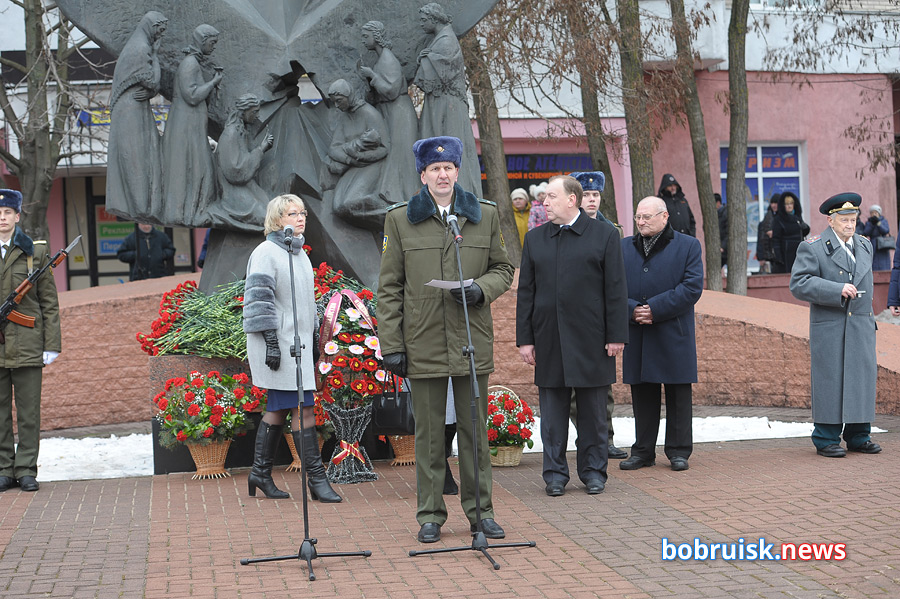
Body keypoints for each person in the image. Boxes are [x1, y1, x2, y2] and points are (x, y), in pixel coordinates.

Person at [378, 136, 514, 543]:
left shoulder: (483, 216)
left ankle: (481, 513)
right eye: (434, 169)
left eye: (449, 167)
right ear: (422, 175)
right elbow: (389, 286)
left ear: (458, 172)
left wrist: (481, 288)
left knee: (475, 431)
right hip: (422, 341)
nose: (442, 174)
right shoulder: (400, 220)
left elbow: (503, 268)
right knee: (430, 436)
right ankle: (431, 515)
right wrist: (392, 345)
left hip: (471, 339)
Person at [516, 175, 628, 496]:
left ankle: (594, 472)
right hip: (549, 339)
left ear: (572, 200)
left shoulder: (605, 235)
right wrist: (526, 338)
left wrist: (616, 334)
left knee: (593, 414)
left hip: (593, 339)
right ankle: (554, 475)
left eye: (551, 196)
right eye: (545, 197)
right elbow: (527, 293)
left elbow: (616, 289)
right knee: (552, 417)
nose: (544, 202)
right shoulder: (535, 239)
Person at [242, 194, 342, 502]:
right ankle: (316, 479)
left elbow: (305, 302)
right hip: (278, 345)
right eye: (291, 214)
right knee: (303, 406)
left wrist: (313, 339)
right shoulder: (266, 252)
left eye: (302, 214)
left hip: (297, 345)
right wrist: (272, 343)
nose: (299, 219)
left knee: (280, 407)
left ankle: (259, 473)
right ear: (276, 220)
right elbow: (259, 301)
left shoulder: (299, 254)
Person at [789, 193, 881, 458]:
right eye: (844, 221)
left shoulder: (864, 245)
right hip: (830, 327)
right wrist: (836, 289)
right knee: (831, 381)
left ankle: (859, 435)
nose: (850, 226)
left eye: (853, 220)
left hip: (861, 326)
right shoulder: (813, 247)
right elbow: (799, 283)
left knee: (860, 380)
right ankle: (826, 438)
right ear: (831, 221)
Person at [619, 196, 703, 472]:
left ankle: (679, 451)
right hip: (638, 332)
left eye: (646, 217)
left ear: (664, 217)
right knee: (642, 395)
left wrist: (654, 308)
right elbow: (612, 288)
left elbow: (691, 288)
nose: (640, 222)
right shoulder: (624, 248)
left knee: (678, 393)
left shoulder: (688, 245)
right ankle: (643, 451)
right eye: (638, 217)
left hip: (672, 331)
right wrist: (633, 310)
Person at [0, 189, 61, 493]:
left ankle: (25, 469)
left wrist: (51, 344)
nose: (2, 218)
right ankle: (3, 469)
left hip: (27, 343)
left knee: (27, 413)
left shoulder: (34, 252)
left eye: (8, 212)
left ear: (17, 216)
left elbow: (49, 302)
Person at [568, 171, 627, 460]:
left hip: (600, 320)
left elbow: (617, 280)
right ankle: (586, 438)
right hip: (570, 317)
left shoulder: (612, 231)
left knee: (604, 389)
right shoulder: (562, 227)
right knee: (573, 393)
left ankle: (606, 439)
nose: (591, 200)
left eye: (595, 195)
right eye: (586, 195)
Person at [414, 3, 482, 196]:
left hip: (445, 104)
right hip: (440, 102)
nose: (421, 24)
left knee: (445, 144)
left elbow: (437, 75)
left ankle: (458, 193)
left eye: (424, 20)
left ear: (434, 19)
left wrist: (425, 60)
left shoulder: (445, 40)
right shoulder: (440, 39)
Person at [106, 11, 168, 222]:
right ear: (151, 26)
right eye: (159, 29)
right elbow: (153, 82)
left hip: (135, 107)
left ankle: (146, 205)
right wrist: (156, 57)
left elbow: (149, 87)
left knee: (143, 154)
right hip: (130, 111)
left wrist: (150, 91)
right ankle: (141, 207)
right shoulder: (141, 49)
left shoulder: (140, 46)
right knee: (135, 157)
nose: (160, 34)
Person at [161, 24, 223, 225]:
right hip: (186, 127)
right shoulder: (190, 64)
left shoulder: (194, 62)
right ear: (203, 41)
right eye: (212, 43)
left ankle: (194, 210)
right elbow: (192, 95)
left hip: (193, 126)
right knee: (193, 167)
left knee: (198, 167)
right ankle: (189, 212)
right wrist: (213, 82)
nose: (213, 47)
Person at [359, 20, 420, 202]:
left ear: (376, 37)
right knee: (394, 154)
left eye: (366, 36)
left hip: (398, 113)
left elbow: (391, 90)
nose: (363, 41)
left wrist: (372, 76)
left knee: (401, 155)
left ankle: (407, 196)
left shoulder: (388, 59)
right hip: (390, 112)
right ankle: (394, 194)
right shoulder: (381, 58)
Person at [320, 79, 391, 231]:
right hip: (354, 165)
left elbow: (384, 148)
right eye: (335, 103)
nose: (337, 106)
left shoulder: (370, 113)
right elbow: (334, 148)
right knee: (338, 206)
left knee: (351, 202)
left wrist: (361, 157)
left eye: (339, 101)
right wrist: (350, 158)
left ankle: (396, 215)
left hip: (373, 165)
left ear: (349, 95)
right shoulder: (345, 117)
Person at [208, 93, 274, 231]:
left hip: (246, 187)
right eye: (254, 112)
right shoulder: (231, 134)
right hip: (233, 192)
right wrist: (261, 149)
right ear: (243, 112)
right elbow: (235, 172)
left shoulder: (240, 131)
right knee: (265, 217)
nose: (257, 116)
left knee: (272, 212)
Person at [771, 192, 810, 274]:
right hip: (786, 253)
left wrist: (805, 227)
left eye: (791, 203)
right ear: (783, 205)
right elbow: (776, 239)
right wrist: (778, 256)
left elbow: (803, 232)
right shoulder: (778, 219)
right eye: (786, 204)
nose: (789, 206)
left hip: (799, 251)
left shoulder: (797, 218)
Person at [862, 204, 892, 271]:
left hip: (882, 244)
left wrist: (878, 223)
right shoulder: (869, 222)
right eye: (872, 213)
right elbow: (866, 233)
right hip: (873, 244)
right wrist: (872, 224)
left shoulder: (883, 221)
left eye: (875, 212)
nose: (874, 214)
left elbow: (886, 231)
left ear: (879, 213)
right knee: (873, 261)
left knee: (883, 262)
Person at [755, 195, 779, 273]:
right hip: (769, 257)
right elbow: (761, 240)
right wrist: (761, 257)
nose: (774, 205)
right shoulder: (767, 219)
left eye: (776, 203)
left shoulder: (780, 218)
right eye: (772, 203)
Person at [716, 193, 728, 268]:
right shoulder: (716, 214)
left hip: (725, 248)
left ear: (718, 203)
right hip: (720, 247)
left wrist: (723, 246)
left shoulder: (725, 214)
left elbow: (728, 232)